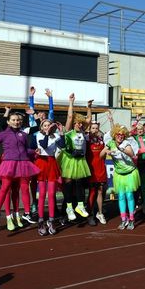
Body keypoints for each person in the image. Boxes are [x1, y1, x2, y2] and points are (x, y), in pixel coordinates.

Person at [0, 111, 40, 231]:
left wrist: (33, 152)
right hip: (9, 163)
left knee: (24, 188)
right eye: (13, 120)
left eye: (18, 120)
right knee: (5, 188)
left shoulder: (23, 134)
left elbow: (24, 149)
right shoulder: (2, 134)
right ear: (8, 121)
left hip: (23, 163)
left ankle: (27, 213)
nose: (16, 122)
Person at [59, 94, 92, 222]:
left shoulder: (83, 132)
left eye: (81, 123)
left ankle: (79, 206)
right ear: (73, 124)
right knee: (68, 184)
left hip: (80, 160)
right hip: (69, 160)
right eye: (77, 123)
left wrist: (89, 107)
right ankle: (68, 208)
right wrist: (71, 102)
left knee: (79, 183)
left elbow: (88, 119)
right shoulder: (68, 131)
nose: (79, 125)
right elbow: (70, 116)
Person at [102, 124, 140, 230]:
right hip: (119, 174)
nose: (120, 136)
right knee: (121, 197)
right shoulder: (110, 143)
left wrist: (120, 149)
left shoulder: (126, 143)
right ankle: (124, 219)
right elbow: (101, 155)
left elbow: (131, 153)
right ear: (114, 135)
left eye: (122, 135)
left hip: (130, 173)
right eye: (118, 134)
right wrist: (106, 151)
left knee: (129, 196)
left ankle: (132, 219)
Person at [33, 118, 61, 236]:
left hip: (52, 162)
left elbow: (63, 145)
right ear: (41, 127)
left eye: (49, 125)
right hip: (41, 162)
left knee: (51, 195)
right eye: (45, 125)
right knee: (42, 194)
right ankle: (40, 221)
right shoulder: (39, 135)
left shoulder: (56, 136)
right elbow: (43, 145)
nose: (47, 127)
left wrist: (62, 133)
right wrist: (47, 133)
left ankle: (51, 220)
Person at [86, 121, 108, 225]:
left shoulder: (101, 140)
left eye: (96, 128)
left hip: (101, 168)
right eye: (93, 128)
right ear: (90, 129)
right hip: (91, 169)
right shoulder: (87, 140)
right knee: (92, 191)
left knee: (100, 191)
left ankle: (100, 212)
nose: (95, 130)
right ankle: (90, 214)